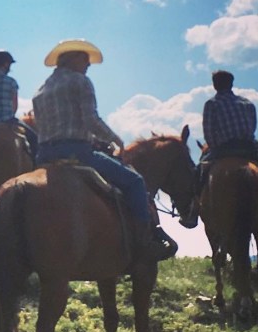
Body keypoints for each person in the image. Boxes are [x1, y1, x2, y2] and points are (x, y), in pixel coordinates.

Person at [31, 38, 176, 261]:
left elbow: (43, 126)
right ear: (74, 58)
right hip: (77, 153)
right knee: (135, 182)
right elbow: (91, 120)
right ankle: (143, 242)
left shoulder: (41, 90)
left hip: (45, 155)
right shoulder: (81, 82)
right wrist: (116, 140)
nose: (89, 64)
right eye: (85, 59)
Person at [181, 69, 258, 228]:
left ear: (215, 85)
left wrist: (213, 146)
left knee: (198, 174)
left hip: (224, 149)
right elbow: (253, 127)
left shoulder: (212, 104)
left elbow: (208, 131)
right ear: (231, 84)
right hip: (249, 149)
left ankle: (193, 212)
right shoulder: (247, 103)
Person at [0, 50, 38, 157]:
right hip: (8, 120)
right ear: (5, 64)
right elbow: (14, 107)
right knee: (34, 139)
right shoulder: (11, 82)